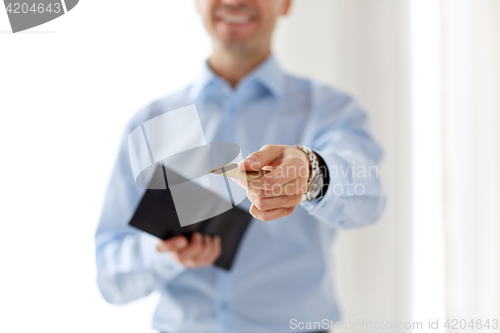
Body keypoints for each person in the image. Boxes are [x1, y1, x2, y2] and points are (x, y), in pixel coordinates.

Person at [95, 0, 387, 332]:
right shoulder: (150, 123)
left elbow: (371, 197)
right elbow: (109, 276)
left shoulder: (331, 110)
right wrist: (162, 254)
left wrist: (312, 172)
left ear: (287, 4)